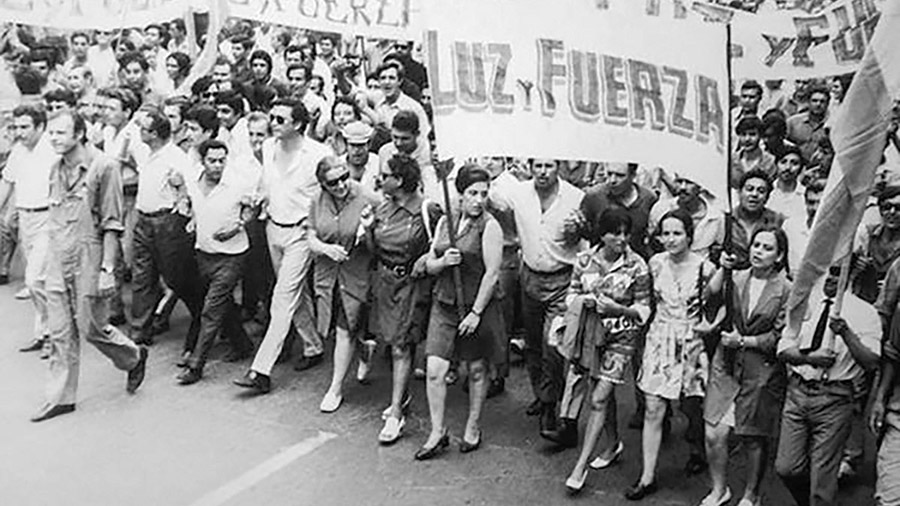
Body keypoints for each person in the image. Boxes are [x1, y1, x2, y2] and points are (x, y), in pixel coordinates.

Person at [33, 110, 147, 423]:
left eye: (60, 132)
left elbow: (112, 222)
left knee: (91, 328)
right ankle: (61, 397)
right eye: (51, 132)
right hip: (59, 255)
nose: (53, 138)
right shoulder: (56, 168)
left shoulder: (103, 167)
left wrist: (108, 270)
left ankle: (133, 356)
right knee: (59, 331)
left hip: (90, 255)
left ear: (80, 133)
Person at [233, 98, 333, 394]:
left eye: (280, 119)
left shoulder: (318, 154)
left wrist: (316, 226)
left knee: (282, 297)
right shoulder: (267, 148)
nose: (272, 123)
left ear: (298, 124)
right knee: (294, 294)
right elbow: (267, 184)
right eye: (272, 117)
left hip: (302, 233)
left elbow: (331, 193)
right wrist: (256, 199)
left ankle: (260, 370)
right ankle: (313, 345)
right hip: (273, 228)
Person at [488, 158, 584, 437]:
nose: (543, 172)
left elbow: (588, 238)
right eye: (538, 166)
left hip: (562, 279)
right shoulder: (518, 192)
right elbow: (492, 199)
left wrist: (578, 230)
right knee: (533, 345)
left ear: (559, 168)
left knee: (552, 344)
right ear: (530, 167)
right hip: (529, 277)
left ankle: (550, 407)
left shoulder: (576, 198)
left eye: (549, 166)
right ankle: (541, 394)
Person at [415, 164, 504, 460]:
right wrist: (443, 263)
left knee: (476, 369)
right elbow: (429, 263)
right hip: (445, 304)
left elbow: (492, 274)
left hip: (474, 307)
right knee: (434, 371)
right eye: (472, 193)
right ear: (460, 194)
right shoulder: (446, 222)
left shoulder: (490, 226)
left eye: (483, 193)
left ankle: (473, 425)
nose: (478, 199)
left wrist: (476, 313)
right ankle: (437, 431)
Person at [698, 227, 790, 506]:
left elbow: (782, 336)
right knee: (714, 431)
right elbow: (707, 299)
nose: (758, 251)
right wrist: (720, 271)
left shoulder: (787, 289)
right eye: (756, 245)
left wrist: (745, 341)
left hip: (760, 369)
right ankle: (719, 489)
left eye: (767, 247)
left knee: (753, 436)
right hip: (725, 364)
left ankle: (752, 494)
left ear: (780, 255)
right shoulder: (735, 277)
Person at [626, 211, 714, 500]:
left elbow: (722, 306)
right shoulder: (655, 263)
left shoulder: (706, 268)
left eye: (677, 233)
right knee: (654, 407)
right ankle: (647, 476)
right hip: (660, 338)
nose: (671, 239)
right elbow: (649, 300)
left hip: (691, 341)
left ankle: (698, 449)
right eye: (666, 233)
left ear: (689, 235)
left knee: (692, 407)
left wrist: (707, 327)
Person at [776, 260, 880, 506]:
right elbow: (782, 348)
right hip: (798, 391)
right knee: (786, 467)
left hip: (834, 397)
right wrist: (809, 358)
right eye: (828, 273)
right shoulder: (804, 303)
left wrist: (845, 332)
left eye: (838, 274)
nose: (831, 279)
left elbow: (871, 361)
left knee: (822, 478)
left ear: (851, 275)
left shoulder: (864, 312)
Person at [561, 209, 651, 494]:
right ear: (602, 234)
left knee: (599, 397)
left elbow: (644, 309)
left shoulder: (637, 265)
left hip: (622, 338)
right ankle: (612, 444)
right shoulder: (584, 260)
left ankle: (580, 466)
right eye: (616, 233)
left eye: (626, 233)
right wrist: (585, 301)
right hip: (590, 336)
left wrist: (618, 308)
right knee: (602, 393)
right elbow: (570, 295)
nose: (622, 239)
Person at [363, 153, 435, 444]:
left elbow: (440, 244)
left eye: (386, 175)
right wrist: (368, 229)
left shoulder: (427, 210)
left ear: (401, 180)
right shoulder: (383, 208)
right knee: (393, 343)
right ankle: (400, 399)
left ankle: (396, 415)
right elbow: (372, 250)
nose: (381, 180)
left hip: (412, 285)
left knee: (401, 348)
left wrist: (428, 258)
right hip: (386, 282)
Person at [176, 139, 255, 385]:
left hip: (232, 256)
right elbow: (189, 203)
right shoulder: (194, 182)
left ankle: (196, 365)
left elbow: (252, 207)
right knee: (222, 304)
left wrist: (239, 225)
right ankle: (242, 344)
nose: (218, 165)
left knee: (211, 310)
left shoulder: (237, 183)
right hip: (204, 253)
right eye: (212, 160)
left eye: (222, 160)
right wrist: (191, 218)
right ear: (202, 161)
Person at [129, 110, 203, 357]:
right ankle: (139, 330)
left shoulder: (175, 157)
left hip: (166, 221)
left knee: (175, 276)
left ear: (155, 134)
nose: (140, 132)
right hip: (144, 219)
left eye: (144, 129)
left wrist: (185, 211)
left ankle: (202, 313)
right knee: (142, 275)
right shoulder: (145, 153)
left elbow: (190, 190)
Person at [311, 156, 379, 412]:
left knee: (345, 328)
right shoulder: (316, 201)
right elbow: (310, 235)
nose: (340, 185)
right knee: (336, 326)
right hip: (328, 275)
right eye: (333, 182)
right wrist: (325, 248)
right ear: (323, 185)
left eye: (344, 178)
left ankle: (335, 388)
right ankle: (364, 348)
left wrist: (369, 230)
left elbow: (380, 242)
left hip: (357, 274)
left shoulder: (367, 197)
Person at [0, 105, 54, 354]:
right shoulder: (18, 152)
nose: (20, 133)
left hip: (48, 218)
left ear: (40, 127)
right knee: (38, 282)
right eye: (16, 127)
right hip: (25, 219)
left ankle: (54, 333)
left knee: (34, 280)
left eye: (25, 127)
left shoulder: (52, 149)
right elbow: (7, 183)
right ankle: (43, 332)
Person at [647, 174, 725, 260]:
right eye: (679, 181)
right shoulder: (661, 209)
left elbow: (718, 249)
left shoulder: (716, 217)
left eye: (689, 182)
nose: (682, 187)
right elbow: (651, 244)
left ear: (701, 186)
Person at [730, 169, 785, 270]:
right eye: (749, 189)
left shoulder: (777, 220)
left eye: (761, 191)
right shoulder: (726, 220)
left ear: (767, 197)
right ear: (739, 193)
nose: (754, 194)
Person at [787, 83, 830, 163]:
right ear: (808, 102)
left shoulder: (831, 125)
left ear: (827, 104)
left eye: (822, 101)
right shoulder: (792, 122)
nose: (818, 104)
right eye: (814, 101)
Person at [732, 116, 776, 190]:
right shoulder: (732, 159)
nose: (747, 139)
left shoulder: (770, 161)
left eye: (752, 134)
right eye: (743, 134)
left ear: (760, 136)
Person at [767, 146, 806, 218]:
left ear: (801, 168)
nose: (788, 167)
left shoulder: (805, 195)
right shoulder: (767, 191)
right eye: (783, 162)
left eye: (794, 163)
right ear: (776, 165)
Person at [341, 120, 379, 195]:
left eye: (360, 145)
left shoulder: (378, 163)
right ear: (346, 144)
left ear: (369, 144)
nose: (356, 150)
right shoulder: (338, 164)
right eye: (353, 145)